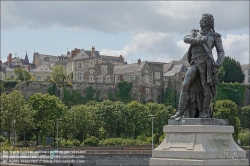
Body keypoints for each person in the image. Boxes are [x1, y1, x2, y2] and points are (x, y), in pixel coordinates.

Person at [170, 13, 224, 119]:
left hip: (206, 62)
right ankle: (180, 112)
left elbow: (221, 51)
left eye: (202, 20)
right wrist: (199, 40)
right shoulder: (195, 32)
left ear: (207, 22)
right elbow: (186, 39)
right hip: (194, 62)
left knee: (205, 86)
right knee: (185, 84)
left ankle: (205, 112)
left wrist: (218, 62)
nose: (200, 21)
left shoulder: (215, 36)